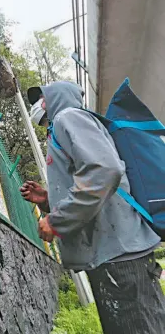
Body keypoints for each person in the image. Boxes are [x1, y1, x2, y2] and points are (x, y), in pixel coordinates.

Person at [20, 81, 165, 334]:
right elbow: (93, 186)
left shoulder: (68, 117)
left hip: (118, 257)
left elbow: (104, 170)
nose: (37, 105)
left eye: (41, 98)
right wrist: (48, 201)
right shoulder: (63, 128)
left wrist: (57, 222)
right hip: (111, 255)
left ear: (56, 97)